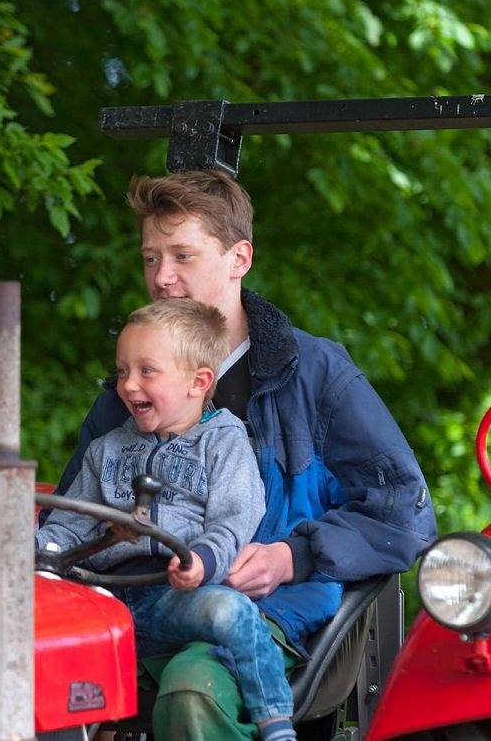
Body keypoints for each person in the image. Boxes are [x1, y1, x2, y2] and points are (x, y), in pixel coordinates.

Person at [52, 170, 438, 740]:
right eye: (151, 258)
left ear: (240, 258)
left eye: (182, 256)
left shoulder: (316, 375)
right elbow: (71, 523)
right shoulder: (127, 397)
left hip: (270, 611)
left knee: (192, 691)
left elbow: (404, 512)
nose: (162, 277)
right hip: (141, 606)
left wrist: (291, 556)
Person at [38, 298, 297, 741]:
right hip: (104, 599)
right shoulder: (106, 450)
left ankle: (275, 723)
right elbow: (67, 525)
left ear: (198, 382)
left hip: (174, 597)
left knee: (230, 610)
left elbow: (235, 518)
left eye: (146, 371)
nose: (127, 384)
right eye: (122, 371)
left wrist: (202, 560)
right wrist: (35, 550)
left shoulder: (224, 443)